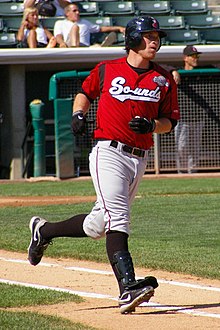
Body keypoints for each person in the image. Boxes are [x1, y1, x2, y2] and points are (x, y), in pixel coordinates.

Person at [28, 16, 180, 314]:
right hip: (108, 152)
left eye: (157, 36)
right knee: (119, 219)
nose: (155, 41)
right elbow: (85, 93)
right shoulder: (108, 69)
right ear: (134, 39)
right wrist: (78, 114)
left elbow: (169, 122)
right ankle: (127, 288)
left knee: (98, 225)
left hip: (139, 158)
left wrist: (151, 124)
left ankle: (43, 231)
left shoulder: (162, 78)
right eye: (148, 35)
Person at [175, 45, 203, 173]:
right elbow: (163, 68)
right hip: (182, 118)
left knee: (195, 149)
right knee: (182, 146)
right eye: (193, 56)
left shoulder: (202, 72)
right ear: (185, 58)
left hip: (198, 118)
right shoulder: (178, 72)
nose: (196, 59)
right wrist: (173, 71)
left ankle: (193, 172)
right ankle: (181, 172)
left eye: (197, 56)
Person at [54, 3, 125, 47]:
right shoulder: (60, 23)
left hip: (84, 47)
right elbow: (58, 36)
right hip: (69, 46)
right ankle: (74, 47)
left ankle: (102, 46)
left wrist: (118, 28)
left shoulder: (85, 22)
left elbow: (101, 29)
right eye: (74, 11)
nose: (77, 13)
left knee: (96, 47)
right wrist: (62, 43)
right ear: (67, 13)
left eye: (78, 11)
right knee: (75, 27)